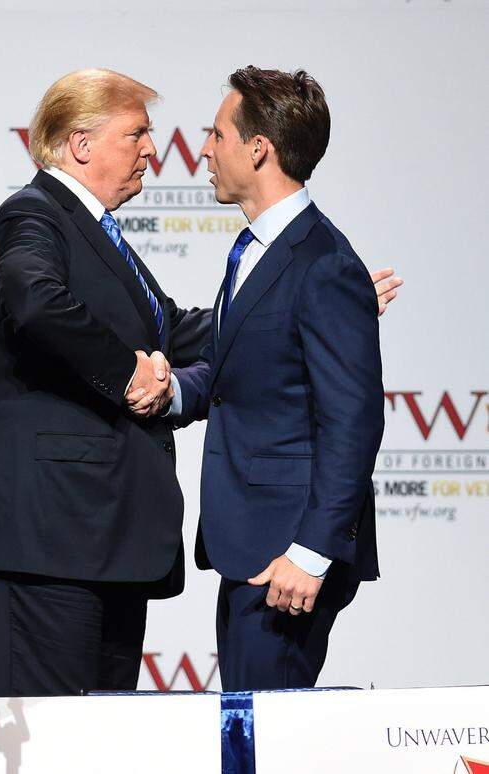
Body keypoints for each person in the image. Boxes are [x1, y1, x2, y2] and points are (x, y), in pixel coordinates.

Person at [0, 68, 401, 697]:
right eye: (137, 133)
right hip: (40, 541)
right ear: (81, 144)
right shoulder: (32, 215)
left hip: (102, 547)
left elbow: (177, 330)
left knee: (102, 751)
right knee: (43, 753)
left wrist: (317, 306)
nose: (155, 150)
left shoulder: (110, 238)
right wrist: (127, 369)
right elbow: (36, 301)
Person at [163, 66, 384, 691]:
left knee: (266, 742)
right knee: (245, 738)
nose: (205, 149)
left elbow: (353, 421)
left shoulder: (324, 264)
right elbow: (242, 375)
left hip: (290, 560)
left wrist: (312, 553)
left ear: (258, 148)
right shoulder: (253, 250)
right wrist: (175, 389)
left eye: (217, 134)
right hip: (252, 546)